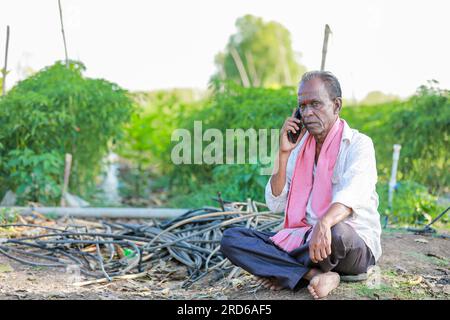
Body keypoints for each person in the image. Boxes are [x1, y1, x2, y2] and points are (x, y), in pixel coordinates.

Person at [220, 71, 382, 299]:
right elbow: (275, 204)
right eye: (302, 106)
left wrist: (324, 223)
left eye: (315, 104)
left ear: (336, 106)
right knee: (232, 239)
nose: (307, 113)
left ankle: (284, 269)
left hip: (347, 245)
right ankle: (315, 274)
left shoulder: (358, 144)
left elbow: (353, 194)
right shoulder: (299, 148)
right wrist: (284, 153)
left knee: (337, 233)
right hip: (304, 241)